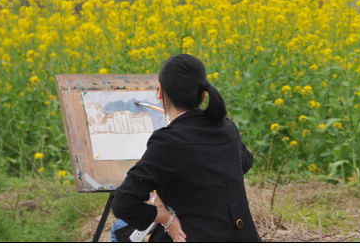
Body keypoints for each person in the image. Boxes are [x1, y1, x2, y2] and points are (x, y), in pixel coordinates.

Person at [112, 54, 261, 242]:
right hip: (244, 238)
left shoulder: (168, 142)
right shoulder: (227, 128)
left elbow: (123, 204)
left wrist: (166, 218)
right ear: (203, 94)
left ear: (160, 92)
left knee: (119, 232)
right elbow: (245, 162)